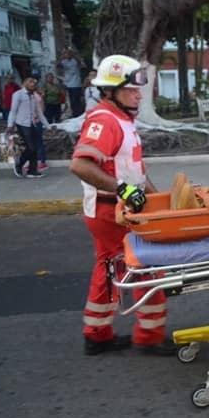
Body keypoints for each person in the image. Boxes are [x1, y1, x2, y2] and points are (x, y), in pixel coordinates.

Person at [68, 54, 176, 357]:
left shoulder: (122, 120)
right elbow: (79, 165)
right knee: (147, 265)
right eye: (131, 89)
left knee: (108, 269)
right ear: (110, 91)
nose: (138, 94)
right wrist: (123, 189)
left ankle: (97, 334)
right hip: (112, 212)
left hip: (113, 209)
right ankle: (150, 335)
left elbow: (135, 171)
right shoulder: (105, 121)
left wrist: (156, 200)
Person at [6, 77, 48, 178]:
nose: (33, 83)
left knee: (35, 148)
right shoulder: (18, 95)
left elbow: (39, 112)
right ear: (24, 83)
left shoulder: (33, 96)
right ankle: (19, 164)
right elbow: (13, 111)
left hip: (32, 123)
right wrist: (10, 125)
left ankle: (32, 171)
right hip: (22, 124)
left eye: (34, 82)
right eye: (30, 81)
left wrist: (48, 125)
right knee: (31, 148)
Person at [57, 48, 85, 117]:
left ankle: (77, 115)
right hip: (67, 84)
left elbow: (81, 65)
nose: (68, 55)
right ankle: (70, 114)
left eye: (69, 53)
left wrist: (74, 54)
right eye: (67, 53)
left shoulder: (75, 60)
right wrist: (62, 56)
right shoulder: (64, 61)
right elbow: (57, 65)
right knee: (68, 101)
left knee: (76, 101)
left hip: (76, 84)